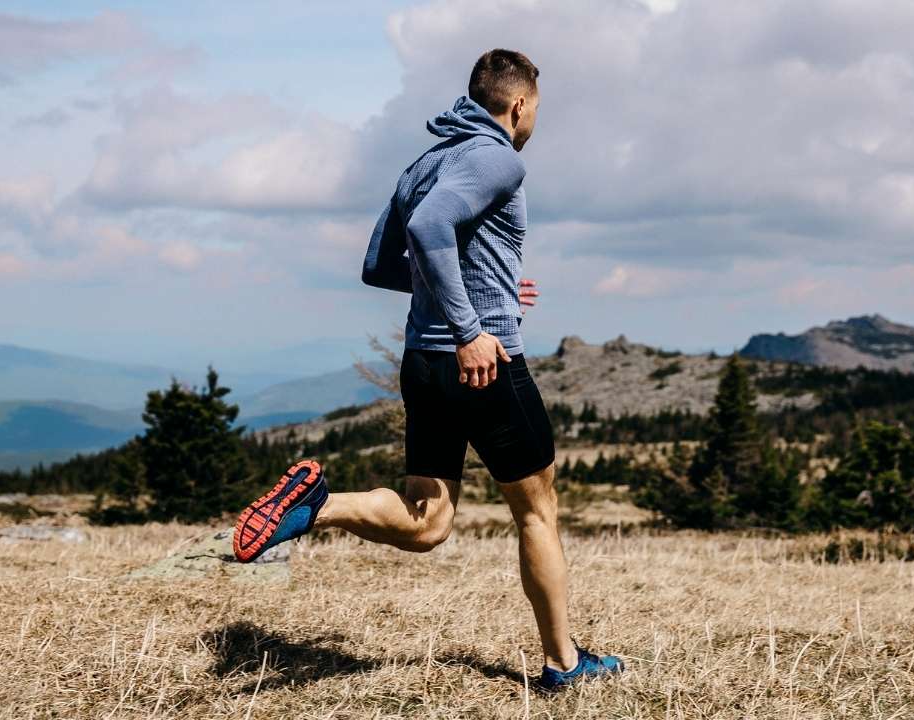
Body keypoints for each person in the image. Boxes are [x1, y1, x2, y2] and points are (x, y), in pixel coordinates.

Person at [231, 48, 623, 692]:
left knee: (428, 519)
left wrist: (488, 285)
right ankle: (565, 664)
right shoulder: (497, 155)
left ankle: (315, 507)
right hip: (482, 363)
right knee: (537, 511)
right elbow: (432, 224)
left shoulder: (427, 161)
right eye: (536, 112)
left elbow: (384, 266)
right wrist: (472, 328)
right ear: (519, 104)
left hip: (423, 363)